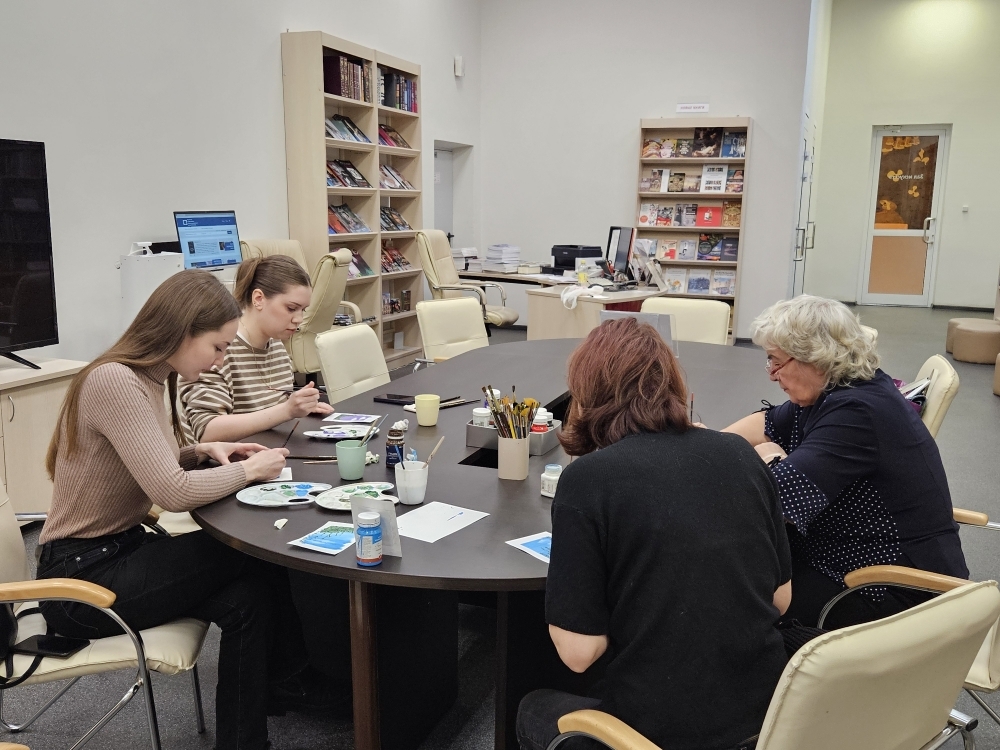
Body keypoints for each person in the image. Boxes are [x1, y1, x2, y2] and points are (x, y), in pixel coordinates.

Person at [37, 270, 327, 750]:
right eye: (217, 347)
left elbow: (147, 463)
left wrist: (200, 453)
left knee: (249, 598)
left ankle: (254, 728)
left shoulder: (153, 378)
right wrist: (249, 471)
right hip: (79, 581)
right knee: (257, 554)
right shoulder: (116, 380)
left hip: (118, 552)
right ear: (182, 331)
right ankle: (293, 682)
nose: (219, 361)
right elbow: (171, 493)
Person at [516, 318, 792, 750]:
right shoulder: (740, 452)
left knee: (532, 707)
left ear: (586, 394)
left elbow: (579, 654)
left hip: (660, 731)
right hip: (768, 716)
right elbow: (780, 599)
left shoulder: (589, 480)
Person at [724, 295, 967, 628]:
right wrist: (707, 445)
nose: (772, 375)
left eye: (776, 362)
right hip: (848, 555)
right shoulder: (840, 388)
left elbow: (773, 500)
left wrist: (772, 458)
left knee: (734, 603)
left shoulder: (858, 413)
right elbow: (767, 424)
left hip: (889, 588)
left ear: (813, 358)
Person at [179, 254, 333, 444]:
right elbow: (207, 432)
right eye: (291, 308)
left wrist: (299, 407)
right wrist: (286, 411)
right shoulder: (218, 349)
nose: (299, 319)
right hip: (218, 460)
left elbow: (273, 410)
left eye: (303, 310)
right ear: (258, 299)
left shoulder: (276, 345)